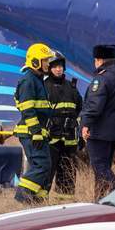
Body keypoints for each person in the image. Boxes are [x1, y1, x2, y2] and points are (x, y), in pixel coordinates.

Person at [81, 44, 115, 199]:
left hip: (99, 131)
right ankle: (101, 201)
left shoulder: (102, 79)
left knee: (100, 167)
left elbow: (94, 106)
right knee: (103, 169)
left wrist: (85, 124)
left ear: (99, 60)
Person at [13, 43, 54, 203]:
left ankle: (38, 201)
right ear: (35, 61)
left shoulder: (38, 80)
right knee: (41, 166)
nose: (48, 64)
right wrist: (36, 132)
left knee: (46, 166)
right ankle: (22, 197)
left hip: (37, 133)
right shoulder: (28, 80)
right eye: (45, 61)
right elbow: (28, 109)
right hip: (31, 133)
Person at [41, 50, 83, 197]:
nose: (58, 69)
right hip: (51, 139)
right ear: (49, 68)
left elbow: (79, 109)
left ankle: (65, 204)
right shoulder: (43, 87)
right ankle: (39, 203)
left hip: (69, 140)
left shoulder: (71, 87)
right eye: (55, 66)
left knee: (68, 175)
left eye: (61, 66)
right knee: (46, 173)